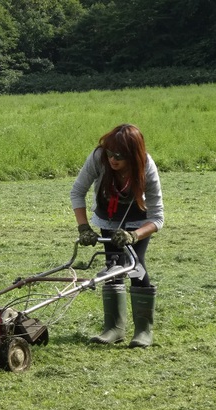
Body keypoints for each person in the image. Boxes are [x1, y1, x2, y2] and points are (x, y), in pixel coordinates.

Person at [70, 124, 164, 348]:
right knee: (113, 266)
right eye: (110, 154)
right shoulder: (98, 158)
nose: (113, 160)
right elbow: (77, 192)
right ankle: (114, 328)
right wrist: (83, 227)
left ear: (133, 156)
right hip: (108, 219)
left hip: (138, 223)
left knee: (135, 265)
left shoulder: (146, 167)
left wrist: (133, 236)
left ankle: (143, 331)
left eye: (119, 156)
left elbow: (158, 218)